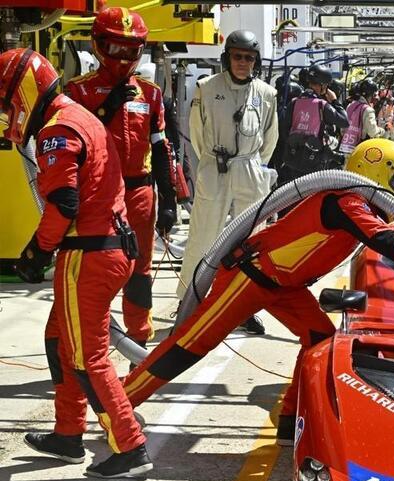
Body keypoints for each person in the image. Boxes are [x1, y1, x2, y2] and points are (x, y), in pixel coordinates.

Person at [121, 139, 394, 445]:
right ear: (380, 173)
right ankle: (119, 402)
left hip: (284, 285)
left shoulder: (354, 204)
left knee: (319, 338)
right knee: (190, 344)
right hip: (251, 277)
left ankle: (290, 420)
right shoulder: (346, 201)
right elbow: (388, 241)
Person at [2, 48, 150, 478]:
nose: (9, 112)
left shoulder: (56, 129)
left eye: (8, 102)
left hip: (88, 254)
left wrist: (35, 252)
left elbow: (63, 204)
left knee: (88, 357)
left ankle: (130, 446)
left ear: (23, 92)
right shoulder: (81, 114)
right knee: (59, 336)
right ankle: (68, 434)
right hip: (109, 247)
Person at [65, 8, 185, 351]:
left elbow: (163, 150)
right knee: (96, 272)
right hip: (97, 199)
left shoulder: (151, 94)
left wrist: (170, 199)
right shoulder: (78, 93)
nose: (122, 57)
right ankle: (91, 346)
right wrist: (106, 109)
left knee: (140, 272)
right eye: (115, 48)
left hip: (139, 194)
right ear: (98, 44)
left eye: (130, 50)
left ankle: (138, 342)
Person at [179, 29, 278, 335]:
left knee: (251, 243)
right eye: (237, 56)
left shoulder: (266, 94)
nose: (242, 63)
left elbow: (270, 139)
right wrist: (212, 163)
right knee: (202, 238)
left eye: (249, 58)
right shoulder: (206, 88)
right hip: (215, 168)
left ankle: (244, 308)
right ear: (227, 58)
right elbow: (196, 135)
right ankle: (188, 303)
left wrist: (251, 165)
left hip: (249, 170)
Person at [280, 63, 349, 179]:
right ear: (322, 85)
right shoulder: (322, 105)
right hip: (314, 163)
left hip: (293, 160)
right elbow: (344, 121)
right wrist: (334, 101)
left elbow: (285, 130)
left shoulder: (294, 102)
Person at [340, 79, 384, 156]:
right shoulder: (368, 110)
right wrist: (382, 130)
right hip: (359, 149)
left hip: (345, 146)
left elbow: (343, 128)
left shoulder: (350, 106)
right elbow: (372, 132)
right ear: (372, 94)